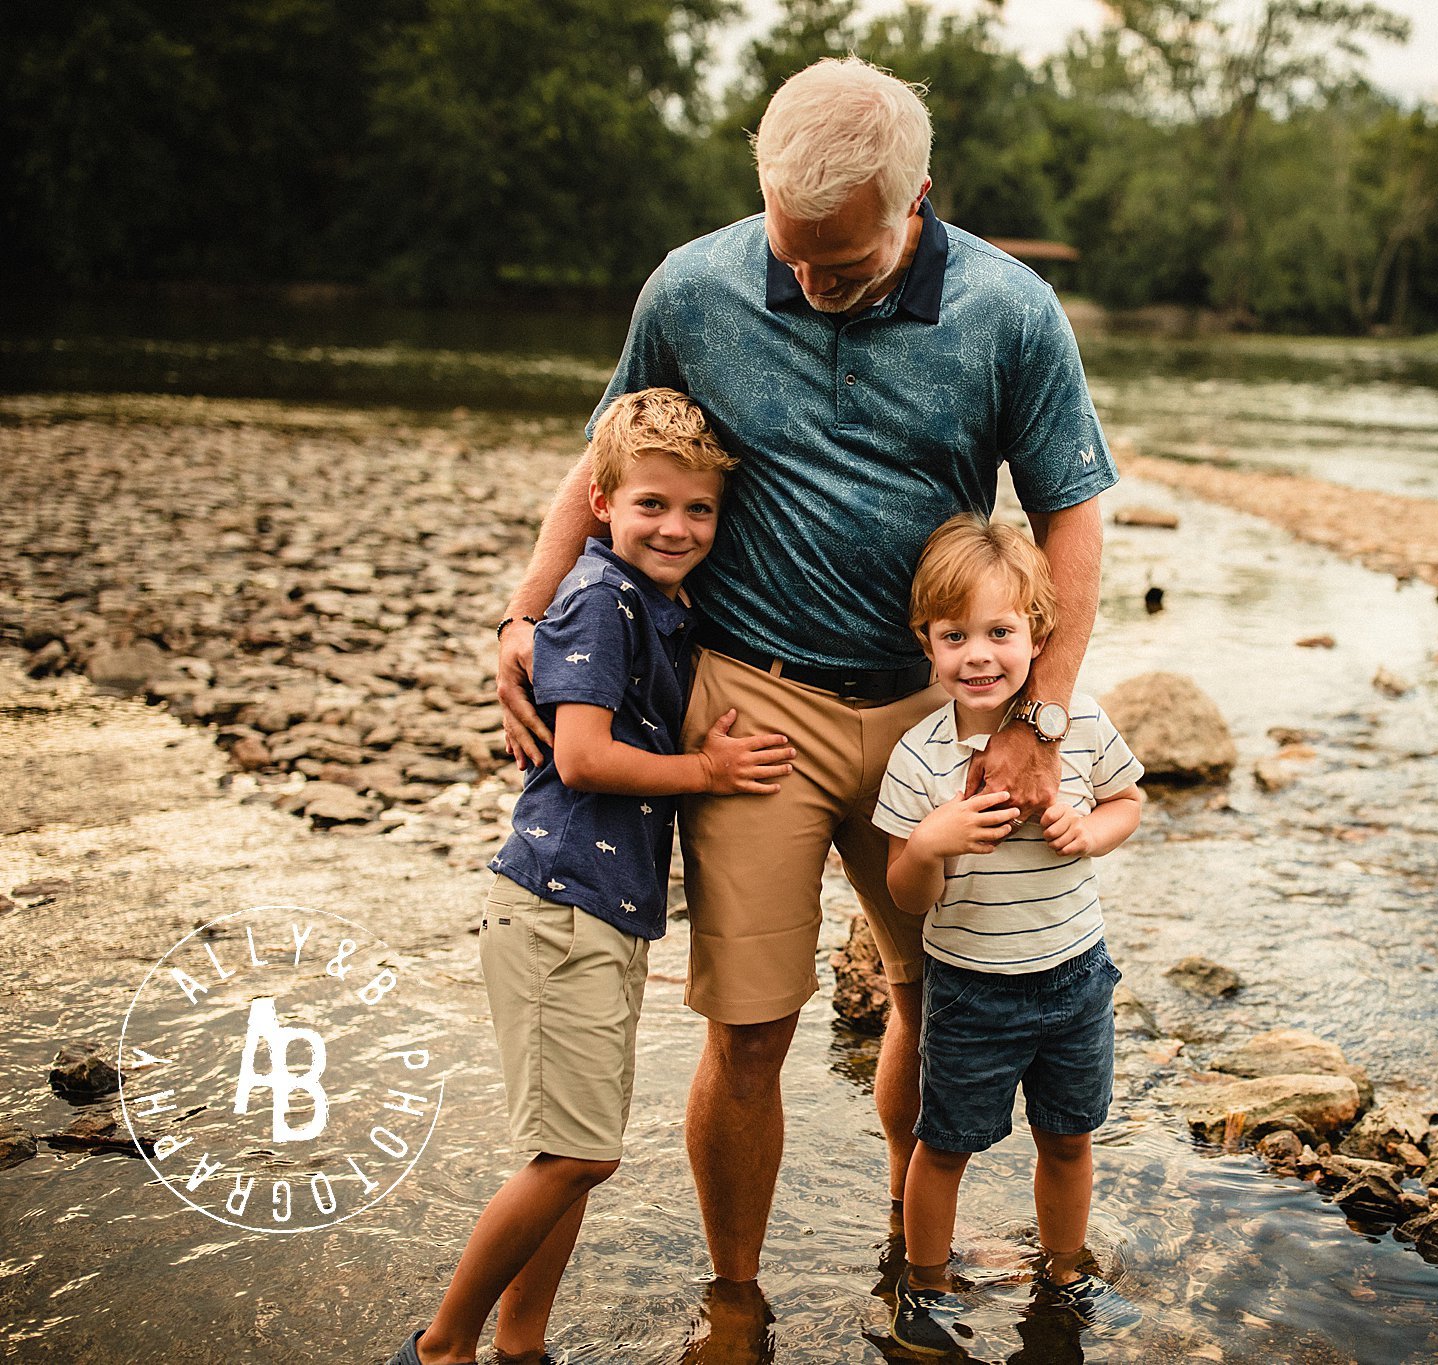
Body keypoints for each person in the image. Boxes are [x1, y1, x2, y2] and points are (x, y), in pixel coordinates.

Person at [490, 56, 1117, 1302]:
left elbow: (1072, 520)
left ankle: (908, 1242)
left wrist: (1037, 717)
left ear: (916, 196)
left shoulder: (1008, 311)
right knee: (749, 1028)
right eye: (794, 253)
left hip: (932, 711)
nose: (812, 283)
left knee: (932, 997)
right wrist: (523, 611)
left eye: (843, 260)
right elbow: (605, 458)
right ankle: (735, 1294)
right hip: (749, 705)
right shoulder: (693, 284)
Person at [392, 390, 795, 1365]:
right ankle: (443, 1347)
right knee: (579, 1154)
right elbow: (579, 755)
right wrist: (706, 772)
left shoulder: (655, 602)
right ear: (602, 499)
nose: (677, 527)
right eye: (652, 504)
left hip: (600, 914)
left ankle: (520, 1345)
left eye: (698, 510)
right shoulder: (598, 598)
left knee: (566, 1158)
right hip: (556, 908)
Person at [872, 514, 1144, 1354]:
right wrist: (929, 843)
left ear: (1039, 632)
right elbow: (906, 893)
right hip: (971, 985)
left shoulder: (1079, 728)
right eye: (955, 636)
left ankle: (1063, 1267)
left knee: (1068, 1135)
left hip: (1074, 976)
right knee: (943, 1142)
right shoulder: (920, 758)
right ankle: (924, 1282)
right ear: (926, 641)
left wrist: (1086, 831)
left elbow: (1130, 803)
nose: (979, 655)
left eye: (1000, 631)